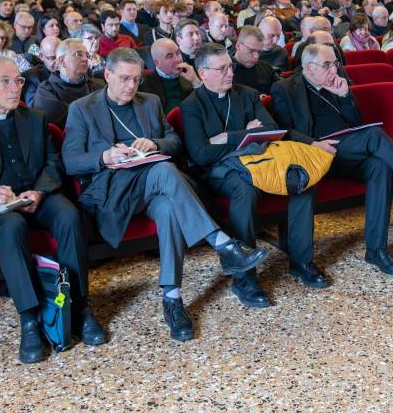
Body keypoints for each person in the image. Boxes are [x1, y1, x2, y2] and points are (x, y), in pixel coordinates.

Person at [62, 48, 267, 341]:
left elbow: (175, 142)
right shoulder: (83, 108)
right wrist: (105, 155)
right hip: (111, 189)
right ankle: (223, 244)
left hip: (153, 186)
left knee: (169, 204)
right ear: (107, 75)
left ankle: (172, 298)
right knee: (164, 172)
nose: (131, 86)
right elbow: (70, 161)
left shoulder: (150, 102)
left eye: (135, 79)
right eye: (123, 79)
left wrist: (155, 144)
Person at [0, 56, 105, 363]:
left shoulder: (35, 118)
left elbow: (53, 162)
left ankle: (80, 305)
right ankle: (29, 318)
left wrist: (39, 191)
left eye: (18, 81)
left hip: (35, 194)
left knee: (69, 215)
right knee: (12, 226)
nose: (16, 88)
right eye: (6, 82)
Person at [269, 43, 393, 274]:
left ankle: (376, 250)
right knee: (375, 136)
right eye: (327, 65)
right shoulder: (285, 88)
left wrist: (345, 96)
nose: (333, 71)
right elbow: (283, 129)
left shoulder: (337, 83)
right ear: (308, 67)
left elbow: (356, 123)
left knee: (379, 166)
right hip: (312, 154)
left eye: (335, 64)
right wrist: (314, 144)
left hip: (345, 152)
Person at [179, 43, 322, 304]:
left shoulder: (245, 94)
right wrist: (248, 133)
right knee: (243, 190)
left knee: (302, 180)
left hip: (261, 162)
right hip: (219, 173)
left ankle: (301, 261)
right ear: (202, 73)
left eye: (230, 67)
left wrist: (228, 137)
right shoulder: (191, 106)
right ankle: (245, 279)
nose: (229, 73)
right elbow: (201, 154)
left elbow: (270, 129)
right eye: (221, 69)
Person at [32, 39, 105, 126]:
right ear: (62, 60)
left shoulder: (99, 86)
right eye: (79, 54)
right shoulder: (46, 91)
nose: (85, 59)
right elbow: (67, 122)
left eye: (87, 55)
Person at [142, 38, 196, 112]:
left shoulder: (189, 72)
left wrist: (196, 82)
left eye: (178, 53)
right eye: (169, 56)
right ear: (156, 63)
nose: (177, 59)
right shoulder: (144, 84)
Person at [231, 26, 282, 95]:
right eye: (252, 51)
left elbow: (283, 89)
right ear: (238, 46)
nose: (256, 57)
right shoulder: (225, 72)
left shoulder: (266, 68)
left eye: (259, 52)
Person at [23, 36, 59, 106]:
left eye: (61, 57)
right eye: (52, 58)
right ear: (41, 56)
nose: (58, 62)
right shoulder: (32, 77)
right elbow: (34, 107)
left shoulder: (71, 69)